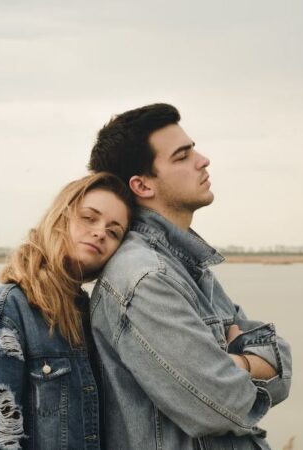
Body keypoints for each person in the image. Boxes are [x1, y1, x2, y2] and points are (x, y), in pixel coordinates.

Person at [87, 103, 292, 450]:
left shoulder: (186, 267)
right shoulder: (145, 279)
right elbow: (221, 405)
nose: (203, 159)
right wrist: (247, 362)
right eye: (182, 156)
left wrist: (232, 364)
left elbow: (281, 367)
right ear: (142, 185)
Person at [0, 172, 132, 450]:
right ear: (60, 218)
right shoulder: (9, 311)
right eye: (89, 218)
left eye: (113, 232)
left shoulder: (92, 315)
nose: (100, 232)